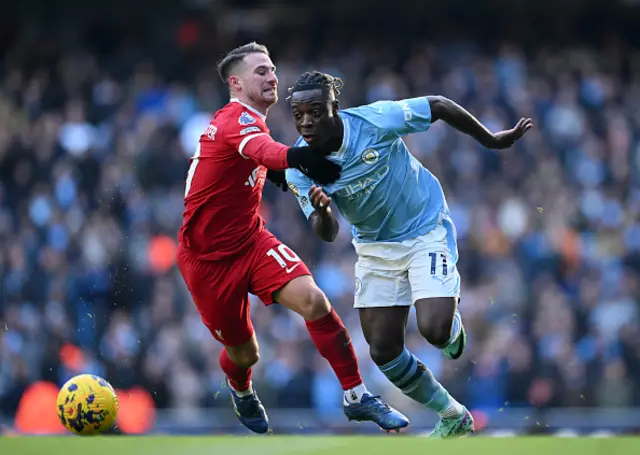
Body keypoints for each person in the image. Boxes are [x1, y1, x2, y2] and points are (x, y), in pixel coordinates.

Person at [281, 71, 533, 438]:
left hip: (423, 228)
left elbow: (440, 106)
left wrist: (491, 140)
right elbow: (329, 233)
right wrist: (321, 212)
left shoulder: (374, 120)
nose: (306, 121)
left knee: (434, 330)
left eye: (315, 111)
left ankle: (450, 327)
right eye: (298, 114)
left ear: (335, 107)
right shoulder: (299, 165)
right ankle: (453, 415)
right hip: (373, 248)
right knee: (383, 351)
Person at [176, 44, 409, 435]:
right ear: (235, 83)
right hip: (208, 262)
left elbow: (255, 161)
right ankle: (241, 388)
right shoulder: (235, 118)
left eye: (272, 70)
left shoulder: (250, 122)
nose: (272, 78)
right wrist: (299, 161)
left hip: (250, 241)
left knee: (314, 301)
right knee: (245, 353)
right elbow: (264, 150)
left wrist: (287, 177)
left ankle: (357, 396)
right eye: (261, 72)